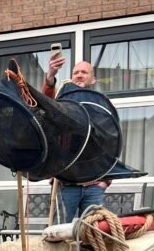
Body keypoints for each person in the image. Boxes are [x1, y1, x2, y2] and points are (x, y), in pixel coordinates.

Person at [42, 53, 110, 221]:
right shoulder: (63, 103)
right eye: (76, 72)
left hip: (94, 184)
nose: (79, 75)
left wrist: (105, 180)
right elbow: (45, 102)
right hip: (65, 182)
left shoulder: (101, 107)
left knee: (92, 234)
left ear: (93, 80)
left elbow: (110, 142)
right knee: (57, 232)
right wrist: (50, 76)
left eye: (84, 72)